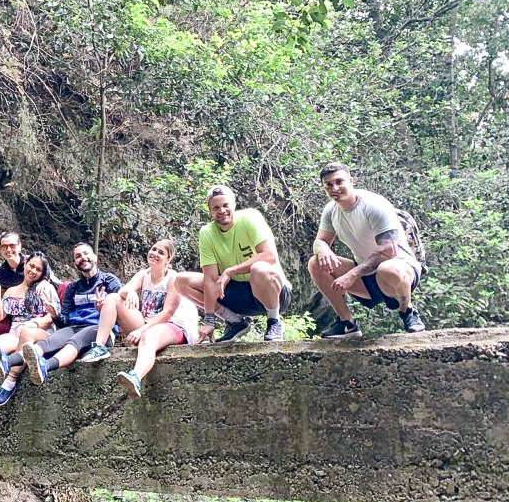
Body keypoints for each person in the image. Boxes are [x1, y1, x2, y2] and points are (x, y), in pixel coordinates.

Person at [308, 162, 425, 338]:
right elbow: (320, 241)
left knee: (388, 267)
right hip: (367, 277)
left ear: (351, 181)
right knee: (315, 262)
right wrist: (323, 248)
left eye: (339, 182)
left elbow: (388, 252)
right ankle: (347, 323)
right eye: (329, 185)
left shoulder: (373, 205)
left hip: (399, 272)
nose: (335, 188)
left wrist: (352, 274)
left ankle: (408, 311)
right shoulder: (331, 210)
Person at [74, 239, 199, 399]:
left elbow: (167, 313)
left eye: (161, 252)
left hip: (174, 325)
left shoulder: (173, 279)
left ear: (168, 260)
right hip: (148, 323)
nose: (154, 254)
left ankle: (135, 377)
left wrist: (141, 330)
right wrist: (130, 292)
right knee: (112, 298)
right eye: (153, 249)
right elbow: (123, 291)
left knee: (148, 337)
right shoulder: (144, 274)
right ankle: (99, 347)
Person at [174, 185, 291, 343]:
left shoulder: (250, 217)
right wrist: (209, 319)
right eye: (216, 208)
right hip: (239, 295)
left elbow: (269, 256)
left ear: (234, 205)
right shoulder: (206, 233)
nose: (221, 211)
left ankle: (274, 321)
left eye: (225, 205)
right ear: (210, 211)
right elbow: (210, 279)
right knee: (182, 281)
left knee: (260, 268)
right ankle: (235, 322)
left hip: (273, 291)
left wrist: (230, 271)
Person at [0, 253, 59, 423]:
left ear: (43, 273)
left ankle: (10, 381)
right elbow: (0, 318)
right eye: (31, 266)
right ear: (25, 265)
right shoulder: (12, 291)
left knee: (26, 332)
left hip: (41, 333)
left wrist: (36, 324)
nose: (33, 271)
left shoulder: (45, 288)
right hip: (16, 333)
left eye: (38, 269)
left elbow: (52, 316)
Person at [20, 242, 122, 385]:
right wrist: (55, 314)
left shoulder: (108, 280)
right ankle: (6, 361)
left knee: (75, 341)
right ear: (75, 263)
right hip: (74, 327)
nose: (83, 258)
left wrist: (103, 309)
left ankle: (45, 367)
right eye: (78, 256)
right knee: (48, 342)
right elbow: (65, 321)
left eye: (86, 254)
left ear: (95, 257)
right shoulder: (73, 288)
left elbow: (120, 309)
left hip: (100, 330)